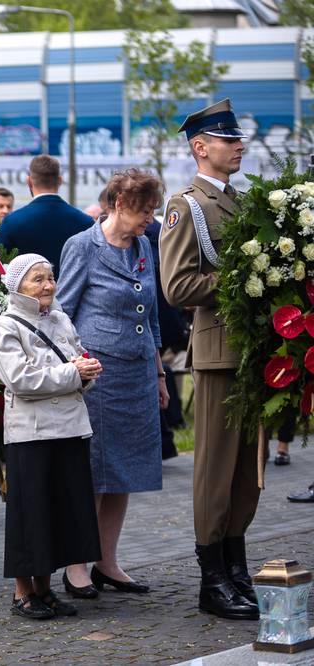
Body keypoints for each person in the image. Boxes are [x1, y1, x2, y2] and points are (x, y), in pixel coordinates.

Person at [159, 98, 259, 621]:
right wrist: (244, 281)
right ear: (201, 147)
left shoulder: (238, 204)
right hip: (219, 350)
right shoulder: (187, 206)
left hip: (251, 351)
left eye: (238, 138)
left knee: (247, 469)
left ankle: (236, 568)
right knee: (216, 469)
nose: (239, 145)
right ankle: (212, 579)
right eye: (228, 139)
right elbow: (176, 285)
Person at [57, 167, 169, 599]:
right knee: (94, 474)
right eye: (144, 211)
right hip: (97, 377)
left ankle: (107, 561)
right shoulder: (82, 246)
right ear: (118, 204)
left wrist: (159, 373)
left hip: (138, 374)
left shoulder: (144, 244)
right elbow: (61, 313)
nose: (149, 219)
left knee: (124, 474)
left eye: (152, 212)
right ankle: (76, 566)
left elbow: (153, 314)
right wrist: (71, 370)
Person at [0, 253, 102, 619]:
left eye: (50, 277)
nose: (48, 285)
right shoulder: (6, 325)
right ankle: (23, 594)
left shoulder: (60, 317)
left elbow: (74, 360)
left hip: (70, 425)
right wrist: (73, 373)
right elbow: (20, 380)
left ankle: (45, 588)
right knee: (32, 514)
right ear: (18, 286)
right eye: (38, 279)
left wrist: (86, 373)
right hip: (31, 433)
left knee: (60, 512)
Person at [0, 156, 94, 278]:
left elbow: (0, 268)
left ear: (29, 181)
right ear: (60, 181)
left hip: (27, 296)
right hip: (74, 296)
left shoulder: (11, 222)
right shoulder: (86, 222)